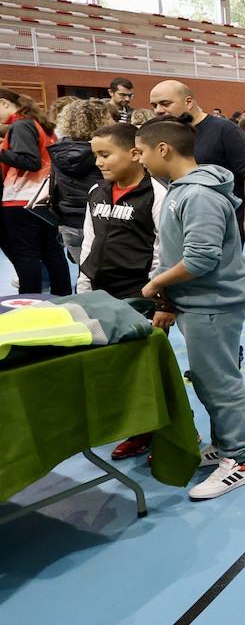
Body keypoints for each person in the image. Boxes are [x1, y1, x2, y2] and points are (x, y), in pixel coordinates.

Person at [136, 116, 245, 501]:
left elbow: (202, 258)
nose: (139, 160)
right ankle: (225, 447)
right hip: (198, 302)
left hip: (214, 303)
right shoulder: (179, 190)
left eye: (140, 152)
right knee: (208, 379)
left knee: (219, 382)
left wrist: (157, 283)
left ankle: (239, 460)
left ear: (163, 149)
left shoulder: (198, 195)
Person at [79, 122, 169, 460]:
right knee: (113, 368)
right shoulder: (96, 192)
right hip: (99, 295)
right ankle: (136, 428)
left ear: (135, 154)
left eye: (105, 154)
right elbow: (89, 241)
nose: (99, 162)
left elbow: (164, 252)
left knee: (144, 370)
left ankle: (163, 430)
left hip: (138, 296)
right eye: (96, 156)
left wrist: (162, 301)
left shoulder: (158, 195)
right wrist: (84, 286)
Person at [148, 81, 245, 242]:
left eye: (165, 103)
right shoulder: (167, 134)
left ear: (188, 102)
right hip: (182, 222)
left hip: (221, 224)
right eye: (154, 105)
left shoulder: (226, 130)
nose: (158, 110)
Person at [1, 90, 71, 295]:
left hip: (21, 199)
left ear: (4, 103)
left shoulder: (21, 125)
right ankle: (63, 297)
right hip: (41, 198)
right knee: (52, 253)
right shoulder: (39, 125)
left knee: (26, 255)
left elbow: (30, 161)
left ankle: (28, 302)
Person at [50, 99, 112, 263]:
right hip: (100, 219)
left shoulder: (58, 150)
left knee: (83, 271)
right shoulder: (104, 152)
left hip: (69, 221)